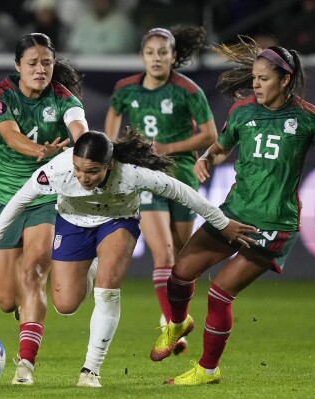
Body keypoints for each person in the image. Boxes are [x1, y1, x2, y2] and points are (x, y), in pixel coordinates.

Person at [149, 36, 315, 385]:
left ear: (285, 80)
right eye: (254, 77)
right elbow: (220, 148)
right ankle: (179, 323)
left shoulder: (309, 119)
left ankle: (207, 371)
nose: (255, 84)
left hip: (273, 226)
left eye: (263, 78)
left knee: (219, 293)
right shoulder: (242, 111)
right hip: (232, 214)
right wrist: (207, 159)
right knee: (180, 273)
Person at [0, 129, 259, 388]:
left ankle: (90, 370)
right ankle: (93, 265)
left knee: (107, 291)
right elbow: (20, 200)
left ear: (109, 165)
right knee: (65, 305)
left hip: (117, 222)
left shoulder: (131, 173)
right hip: (72, 224)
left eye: (91, 171)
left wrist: (222, 223)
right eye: (78, 169)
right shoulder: (57, 170)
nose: (82, 177)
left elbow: (184, 193)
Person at [0, 32, 88, 386]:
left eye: (46, 63)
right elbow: (10, 137)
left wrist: (83, 144)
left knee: (34, 270)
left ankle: (25, 365)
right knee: (7, 299)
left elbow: (79, 128)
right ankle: (24, 313)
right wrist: (37, 150)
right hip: (5, 197)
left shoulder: (64, 98)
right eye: (33, 63)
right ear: (17, 67)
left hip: (45, 195)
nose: (40, 69)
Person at [104, 25, 217, 354]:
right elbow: (113, 111)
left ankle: (172, 315)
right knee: (163, 254)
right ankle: (173, 328)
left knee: (183, 259)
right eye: (150, 53)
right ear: (142, 56)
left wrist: (170, 147)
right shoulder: (126, 88)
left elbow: (209, 134)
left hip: (181, 175)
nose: (156, 58)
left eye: (163, 53)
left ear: (173, 56)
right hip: (145, 175)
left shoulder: (187, 90)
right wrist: (113, 147)